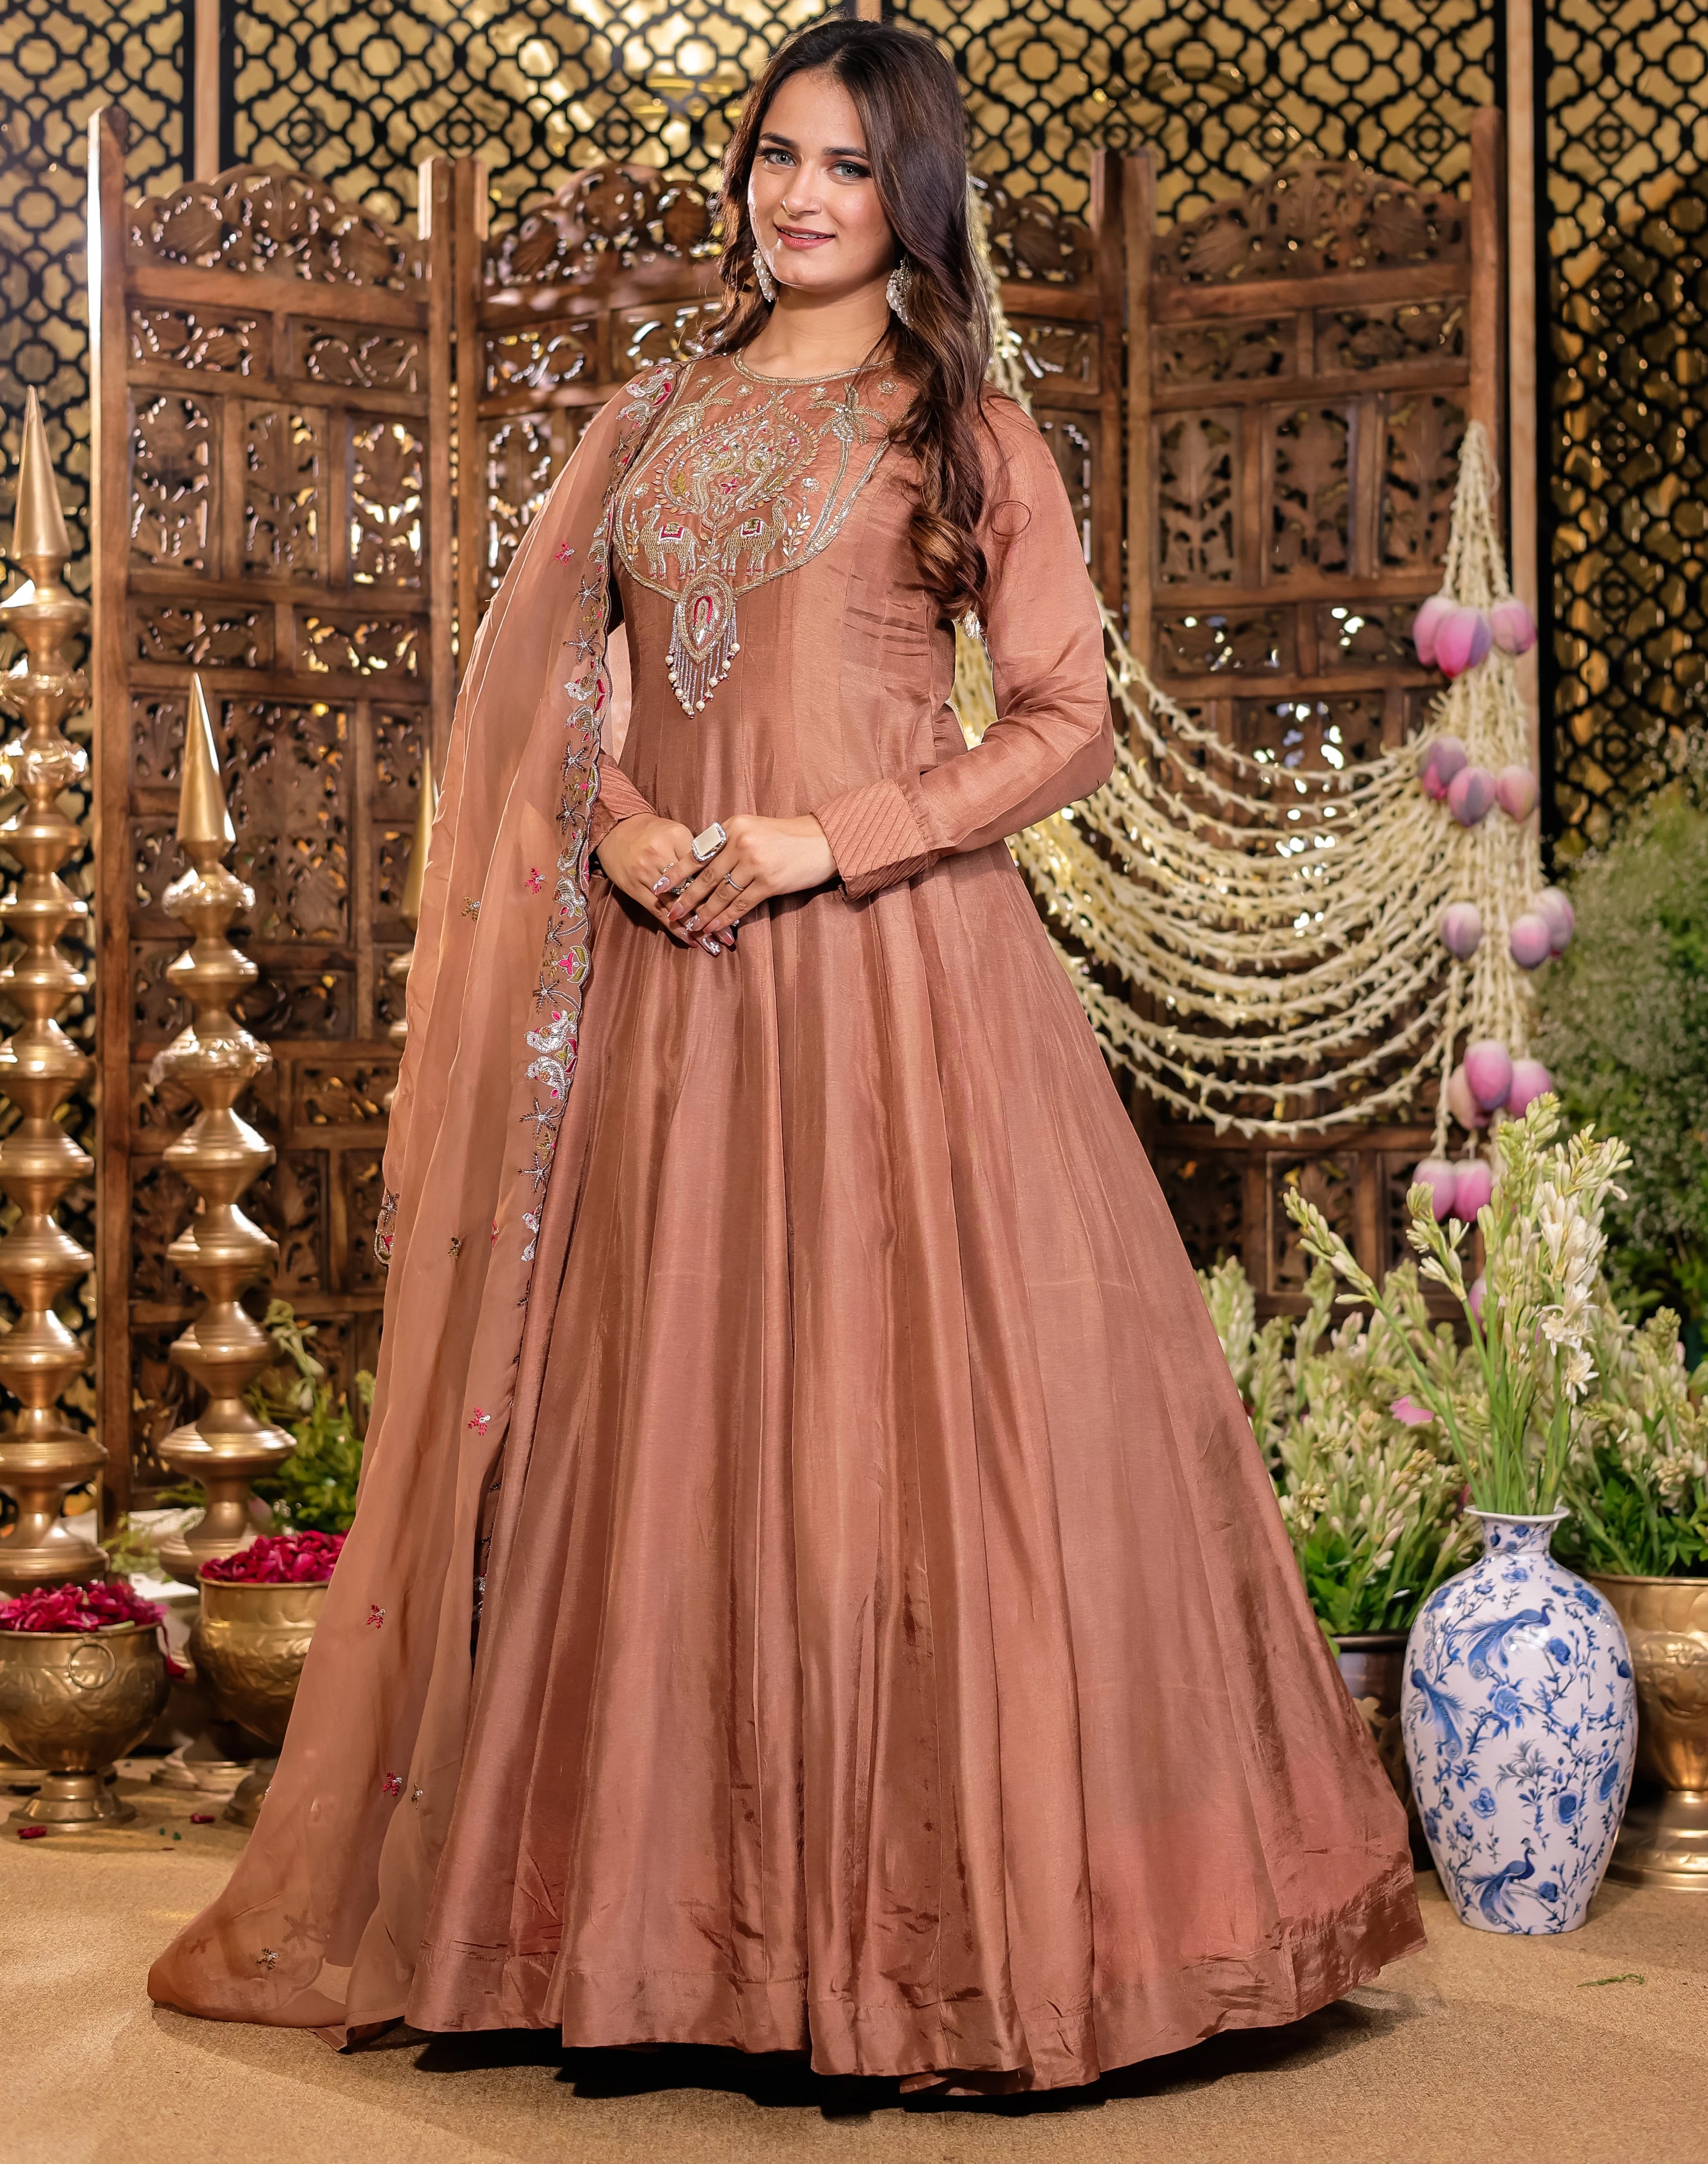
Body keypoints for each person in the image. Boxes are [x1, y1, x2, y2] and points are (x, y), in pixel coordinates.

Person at [149, 15, 1422, 2094]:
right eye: (770, 155)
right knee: (671, 1435)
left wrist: (836, 835)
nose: (797, 193)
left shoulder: (968, 431)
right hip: (671, 995)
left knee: (906, 1439)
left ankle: (936, 1946)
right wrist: (633, 828)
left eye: (842, 162)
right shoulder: (649, 417)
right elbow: (546, 693)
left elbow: (1063, 718)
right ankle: (670, 1938)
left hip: (902, 989)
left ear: (905, 193)